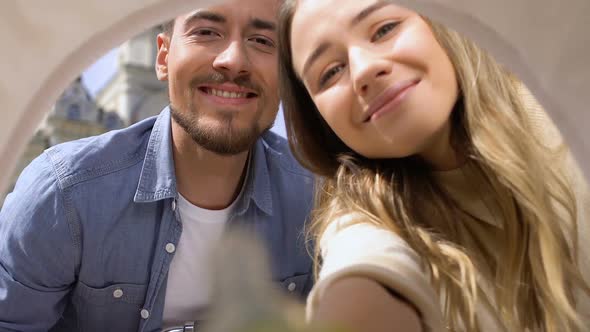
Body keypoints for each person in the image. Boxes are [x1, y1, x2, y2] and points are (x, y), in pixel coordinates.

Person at [0, 0, 314, 330]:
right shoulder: (64, 196)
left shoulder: (318, 202)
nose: (234, 60)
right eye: (206, 32)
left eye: (263, 41)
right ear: (163, 57)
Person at [278, 0, 590, 331]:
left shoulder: (560, 103)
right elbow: (364, 268)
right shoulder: (363, 221)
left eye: (385, 29)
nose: (364, 68)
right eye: (330, 72)